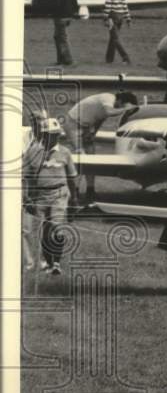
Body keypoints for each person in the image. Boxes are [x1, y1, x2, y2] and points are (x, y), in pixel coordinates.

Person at [22, 118, 79, 275]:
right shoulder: (32, 152)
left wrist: (74, 198)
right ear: (42, 135)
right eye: (48, 134)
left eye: (55, 135)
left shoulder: (65, 153)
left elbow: (72, 178)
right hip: (40, 195)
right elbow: (26, 178)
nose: (51, 138)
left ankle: (56, 264)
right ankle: (46, 262)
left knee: (57, 228)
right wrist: (26, 198)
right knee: (43, 231)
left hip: (60, 194)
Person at [64, 91, 138, 200]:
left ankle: (90, 190)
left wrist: (93, 133)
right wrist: (126, 108)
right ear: (121, 101)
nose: (121, 109)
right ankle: (74, 191)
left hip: (85, 126)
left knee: (91, 157)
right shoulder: (108, 97)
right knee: (81, 155)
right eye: (123, 105)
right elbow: (109, 112)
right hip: (72, 123)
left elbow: (100, 119)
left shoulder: (109, 104)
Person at [102, 0, 131, 64]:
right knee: (113, 38)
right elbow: (125, 5)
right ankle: (109, 59)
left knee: (115, 38)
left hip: (113, 16)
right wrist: (128, 18)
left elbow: (108, 6)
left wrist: (105, 17)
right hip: (121, 16)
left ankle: (125, 57)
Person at [51, 0, 79, 66]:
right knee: (58, 37)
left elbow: (56, 5)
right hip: (68, 17)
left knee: (61, 39)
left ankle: (68, 60)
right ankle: (60, 60)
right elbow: (75, 5)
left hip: (60, 17)